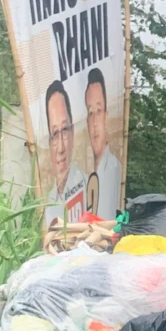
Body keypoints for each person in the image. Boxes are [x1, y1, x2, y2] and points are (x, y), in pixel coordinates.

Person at [42, 80, 87, 228]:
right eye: (55, 134)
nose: (60, 148)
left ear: (73, 132)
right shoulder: (49, 200)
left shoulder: (87, 186)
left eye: (65, 130)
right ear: (49, 142)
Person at [85, 68, 122, 219]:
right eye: (90, 113)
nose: (94, 123)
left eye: (99, 111)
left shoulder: (114, 168)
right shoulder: (83, 175)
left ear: (106, 116)